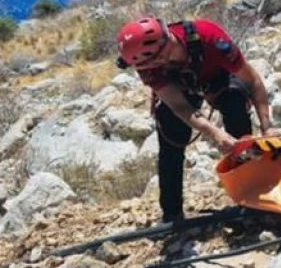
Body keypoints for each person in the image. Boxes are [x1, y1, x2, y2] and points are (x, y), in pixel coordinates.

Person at [116, 16, 272, 224]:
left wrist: (267, 128)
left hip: (217, 78)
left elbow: (252, 80)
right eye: (149, 64)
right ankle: (172, 213)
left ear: (167, 40)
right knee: (171, 134)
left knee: (235, 106)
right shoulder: (146, 64)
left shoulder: (210, 38)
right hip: (181, 88)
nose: (158, 65)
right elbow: (179, 105)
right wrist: (214, 133)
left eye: (159, 59)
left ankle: (252, 191)